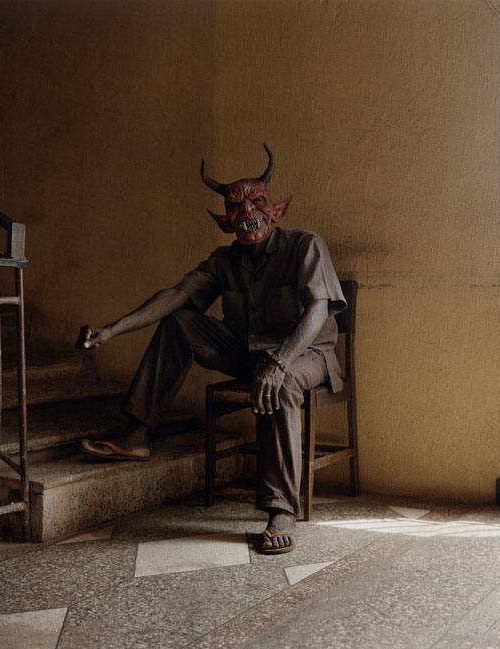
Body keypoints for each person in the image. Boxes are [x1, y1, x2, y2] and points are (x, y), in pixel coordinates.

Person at [76, 144, 346, 554]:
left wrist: (279, 361)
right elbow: (176, 296)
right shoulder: (223, 260)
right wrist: (112, 330)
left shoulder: (305, 244)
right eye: (235, 206)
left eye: (258, 201)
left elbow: (318, 310)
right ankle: (138, 433)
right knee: (179, 322)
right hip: (249, 354)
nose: (247, 210)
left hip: (306, 357)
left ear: (277, 210)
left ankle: (280, 510)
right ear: (224, 221)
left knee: (283, 381)